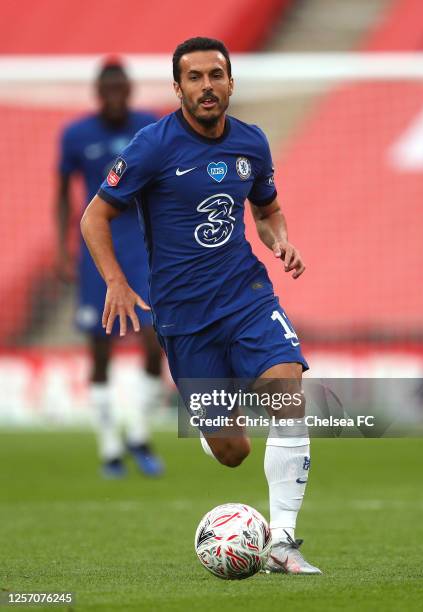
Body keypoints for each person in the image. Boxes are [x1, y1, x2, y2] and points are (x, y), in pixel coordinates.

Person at [80, 37, 321, 573]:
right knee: (233, 452)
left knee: (286, 390)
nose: (207, 86)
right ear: (178, 87)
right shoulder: (152, 147)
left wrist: (278, 237)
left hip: (246, 296)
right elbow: (94, 216)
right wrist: (116, 282)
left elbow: (267, 207)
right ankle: (208, 423)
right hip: (184, 319)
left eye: (216, 75)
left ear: (231, 81)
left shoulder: (252, 143)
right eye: (195, 78)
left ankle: (282, 539)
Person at [56, 57, 164, 479]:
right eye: (109, 90)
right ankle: (110, 448)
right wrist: (61, 247)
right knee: (100, 351)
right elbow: (63, 193)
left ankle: (138, 433)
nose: (116, 97)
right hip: (95, 254)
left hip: (142, 251)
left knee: (156, 343)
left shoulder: (148, 127)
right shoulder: (76, 134)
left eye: (122, 89)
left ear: (130, 91)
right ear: (98, 92)